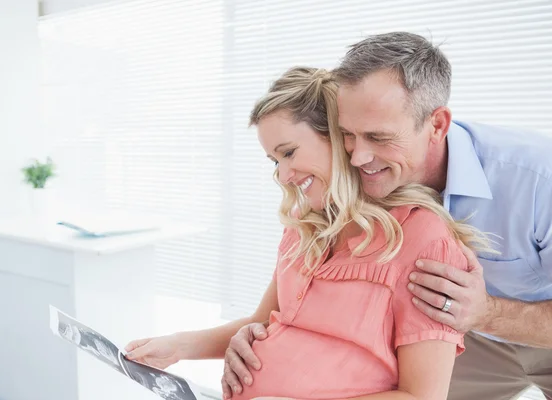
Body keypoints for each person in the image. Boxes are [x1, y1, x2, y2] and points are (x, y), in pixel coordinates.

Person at [126, 66, 493, 399]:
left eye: (289, 153)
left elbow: (422, 397)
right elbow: (263, 320)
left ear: (337, 137)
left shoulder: (422, 240)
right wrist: (178, 347)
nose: (284, 176)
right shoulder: (306, 224)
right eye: (275, 160)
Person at [225, 32, 552, 400]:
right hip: (466, 335)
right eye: (348, 135)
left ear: (437, 125)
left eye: (378, 137)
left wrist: (487, 312)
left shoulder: (538, 179)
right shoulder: (360, 184)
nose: (358, 157)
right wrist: (258, 336)